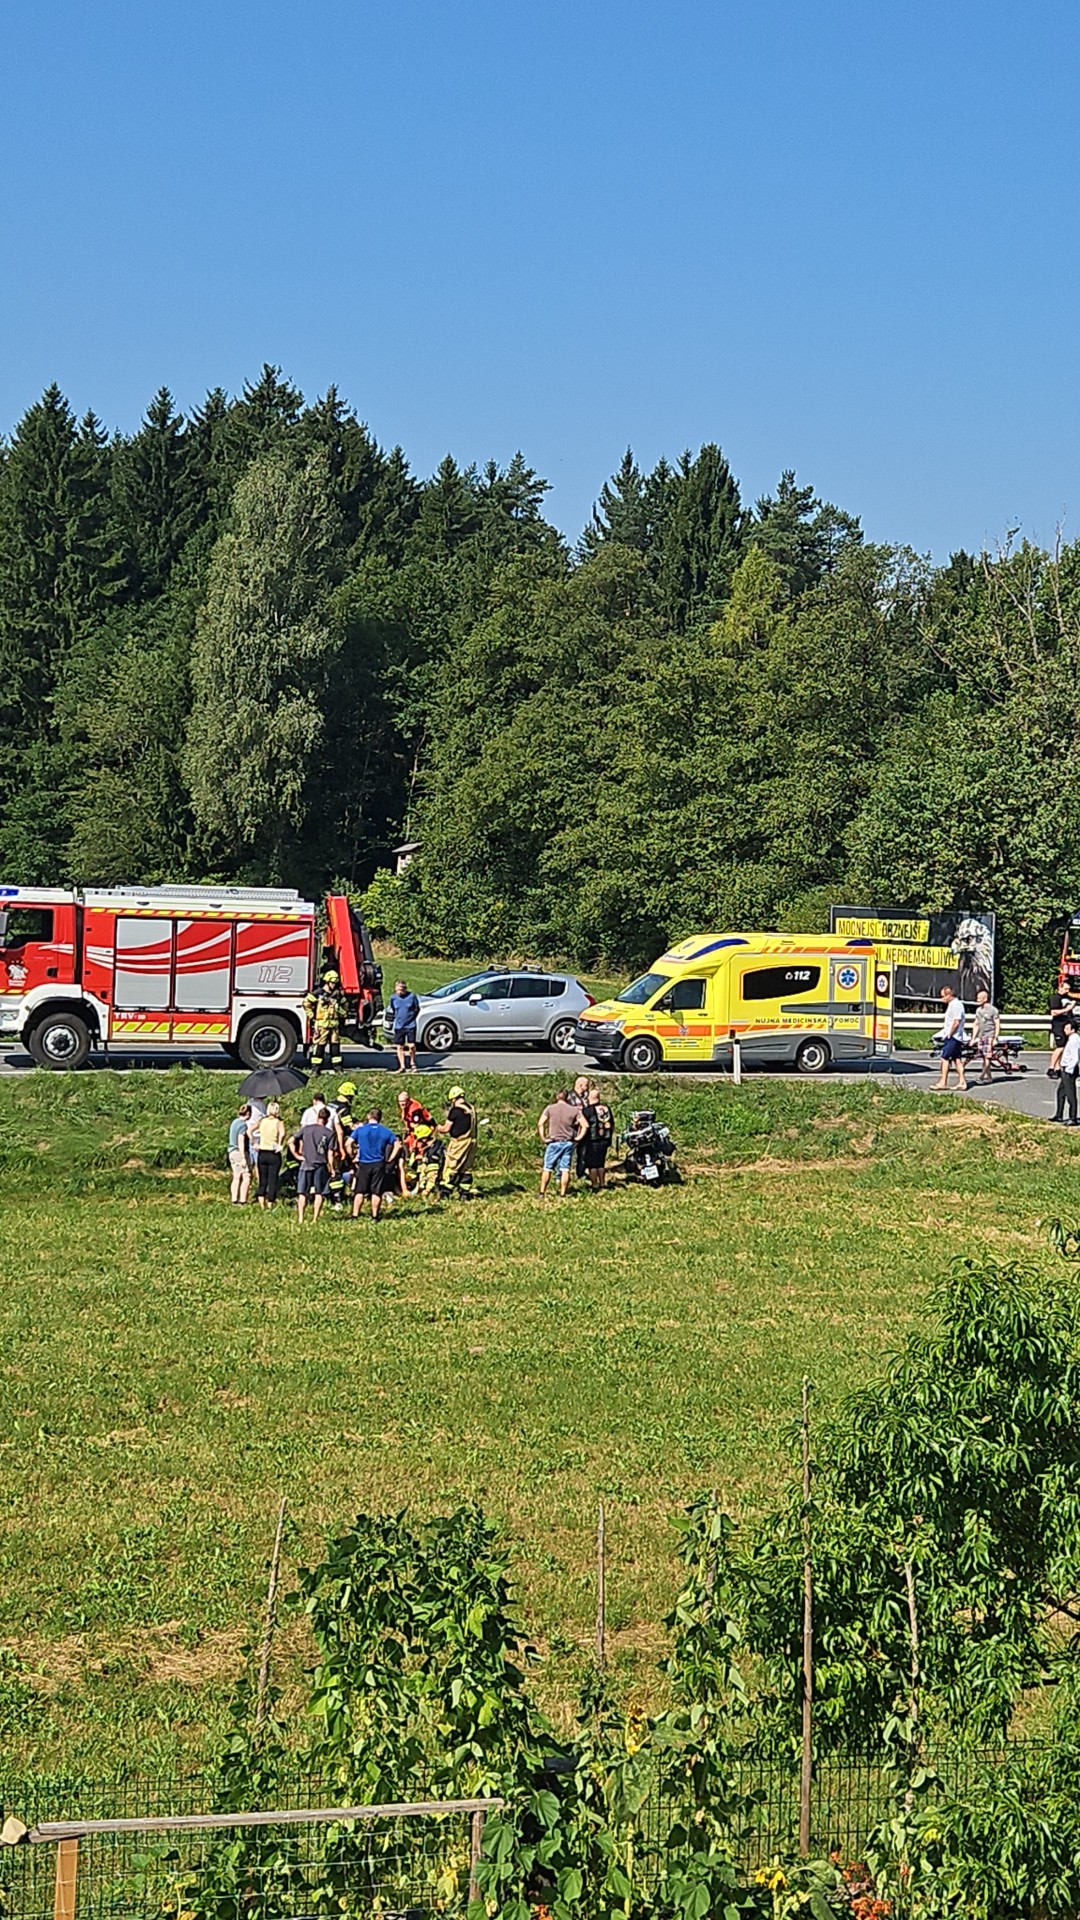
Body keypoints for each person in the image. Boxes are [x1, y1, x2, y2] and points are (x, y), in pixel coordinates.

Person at [349, 1106, 401, 1220]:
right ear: (380, 1118)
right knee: (376, 1191)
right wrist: (390, 1158)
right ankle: (375, 1216)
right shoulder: (385, 1131)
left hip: (363, 1163)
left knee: (360, 1190)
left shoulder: (360, 1130)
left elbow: (348, 1143)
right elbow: (398, 1144)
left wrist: (352, 1155)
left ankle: (355, 1215)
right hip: (378, 1163)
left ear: (368, 1117)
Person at [538, 1088, 588, 1197]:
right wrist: (578, 1138)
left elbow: (540, 1123)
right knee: (565, 1169)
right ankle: (563, 1193)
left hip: (554, 1142)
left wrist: (543, 1138)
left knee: (547, 1168)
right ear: (568, 1098)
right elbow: (585, 1125)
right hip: (568, 1142)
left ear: (557, 1097)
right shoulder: (574, 1110)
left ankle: (542, 1192)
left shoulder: (550, 1108)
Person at [290, 1104, 334, 1222]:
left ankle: (300, 1218)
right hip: (320, 1164)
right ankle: (315, 1218)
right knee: (319, 1192)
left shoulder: (306, 1129)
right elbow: (330, 1153)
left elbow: (291, 1141)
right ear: (327, 1119)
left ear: (317, 1117)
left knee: (302, 1192)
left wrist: (297, 1155)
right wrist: (332, 1168)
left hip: (306, 1163)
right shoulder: (329, 1133)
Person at [439, 1086, 478, 1197]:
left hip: (459, 1142)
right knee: (466, 1167)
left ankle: (445, 1191)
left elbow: (445, 1129)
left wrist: (436, 1127)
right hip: (472, 1142)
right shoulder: (471, 1109)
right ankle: (465, 1192)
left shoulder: (455, 1111)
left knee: (451, 1166)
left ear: (453, 1099)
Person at [304, 971, 347, 1072]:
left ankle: (337, 1067)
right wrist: (311, 1015)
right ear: (327, 982)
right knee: (320, 1047)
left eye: (335, 983)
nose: (334, 985)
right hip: (322, 1025)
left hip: (334, 1026)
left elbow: (344, 1004)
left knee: (335, 1047)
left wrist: (341, 1012)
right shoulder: (318, 993)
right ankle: (315, 1069)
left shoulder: (337, 994)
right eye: (332, 983)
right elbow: (306, 1002)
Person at [932, 986, 968, 1093]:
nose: (941, 998)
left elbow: (956, 1021)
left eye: (943, 996)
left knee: (945, 1058)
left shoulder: (956, 1005)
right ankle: (962, 1082)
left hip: (954, 1037)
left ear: (949, 995)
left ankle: (943, 1082)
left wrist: (949, 1034)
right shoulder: (952, 1005)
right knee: (957, 1059)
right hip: (953, 1036)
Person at [397, 1088, 432, 1193]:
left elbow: (417, 1125)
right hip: (413, 1133)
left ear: (408, 1101)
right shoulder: (405, 1106)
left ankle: (421, 1178)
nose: (402, 1105)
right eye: (400, 1103)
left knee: (418, 1153)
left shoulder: (415, 1109)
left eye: (403, 1103)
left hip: (422, 1133)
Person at [252, 1100, 286, 1208]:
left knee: (263, 1180)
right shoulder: (278, 1122)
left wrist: (254, 1143)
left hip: (262, 1152)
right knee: (272, 1180)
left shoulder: (262, 1121)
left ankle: (262, 1203)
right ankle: (270, 1202)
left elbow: (249, 1130)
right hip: (273, 1152)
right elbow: (283, 1133)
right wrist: (279, 1144)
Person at [581, 1083, 615, 1190]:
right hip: (605, 1140)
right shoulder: (606, 1109)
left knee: (592, 1164)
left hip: (592, 1141)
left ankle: (594, 1184)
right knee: (601, 1163)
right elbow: (612, 1124)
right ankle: (603, 1182)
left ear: (590, 1098)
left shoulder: (587, 1111)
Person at [388, 978, 422, 1072]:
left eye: (401, 990)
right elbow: (394, 1009)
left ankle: (412, 1063)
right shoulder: (393, 998)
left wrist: (412, 1018)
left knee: (411, 1045)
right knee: (399, 1046)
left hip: (410, 1025)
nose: (400, 992)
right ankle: (402, 1066)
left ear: (405, 989)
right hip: (399, 1026)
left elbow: (417, 1009)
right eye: (398, 990)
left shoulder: (412, 997)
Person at [1052, 1021, 1080, 1125]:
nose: (1064, 1030)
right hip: (1066, 1069)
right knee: (1061, 1093)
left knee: (1070, 1094)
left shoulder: (1074, 1040)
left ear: (1072, 1029)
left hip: (1069, 1070)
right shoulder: (1072, 1039)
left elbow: (1074, 1057)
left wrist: (1068, 1070)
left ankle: (1073, 1117)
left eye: (1067, 1028)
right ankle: (1059, 1115)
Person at [971, 988, 1001, 1085]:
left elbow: (997, 1024)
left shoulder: (993, 1010)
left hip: (989, 1036)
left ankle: (982, 1076)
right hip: (981, 1036)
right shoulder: (978, 1010)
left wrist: (995, 1038)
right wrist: (973, 1038)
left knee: (987, 1057)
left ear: (985, 998)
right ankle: (989, 1078)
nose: (977, 999)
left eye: (979, 998)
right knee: (984, 1057)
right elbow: (976, 1024)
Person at [228, 1103, 252, 1205]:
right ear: (248, 1113)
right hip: (239, 1152)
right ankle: (243, 1200)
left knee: (236, 1176)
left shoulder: (234, 1122)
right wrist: (243, 1157)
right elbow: (241, 1140)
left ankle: (234, 1199)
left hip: (231, 1151)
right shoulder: (243, 1125)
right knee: (246, 1176)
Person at [1049, 989, 1075, 1078]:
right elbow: (1054, 1012)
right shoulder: (1055, 998)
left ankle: (1057, 1068)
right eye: (1065, 989)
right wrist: (1067, 1009)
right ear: (1060, 988)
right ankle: (1051, 1067)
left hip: (1066, 1025)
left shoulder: (1067, 998)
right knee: (1060, 1047)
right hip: (1058, 1025)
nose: (1067, 991)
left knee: (1065, 1047)